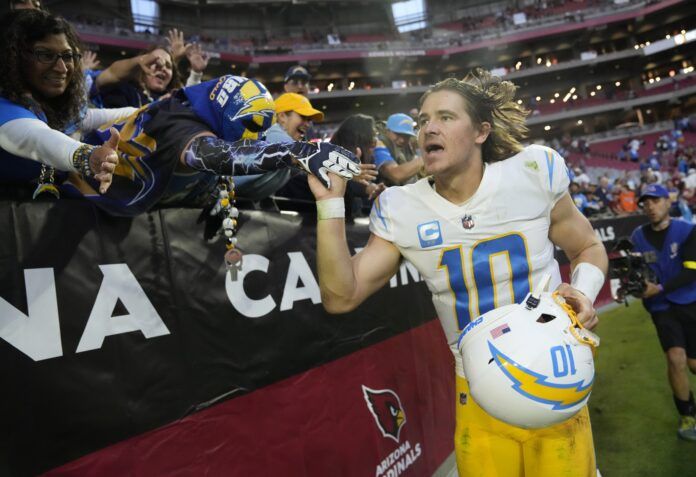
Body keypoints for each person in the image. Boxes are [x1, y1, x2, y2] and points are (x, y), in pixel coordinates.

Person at [308, 69, 608, 476]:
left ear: (481, 131)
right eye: (422, 120)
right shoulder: (402, 207)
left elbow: (587, 246)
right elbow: (341, 296)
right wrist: (330, 205)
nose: (429, 127)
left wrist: (585, 291)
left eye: (445, 117)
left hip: (555, 375)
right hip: (477, 391)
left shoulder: (534, 172)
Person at [0, 10, 130, 197]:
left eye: (67, 56)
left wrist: (160, 107)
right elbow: (37, 138)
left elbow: (99, 117)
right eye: (45, 55)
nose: (62, 68)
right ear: (15, 58)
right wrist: (88, 157)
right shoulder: (4, 105)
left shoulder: (59, 105)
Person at [629, 183, 696, 441]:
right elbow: (636, 271)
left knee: (693, 363)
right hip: (661, 308)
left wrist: (659, 287)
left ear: (668, 202)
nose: (650, 206)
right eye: (645, 203)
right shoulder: (637, 236)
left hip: (690, 301)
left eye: (655, 201)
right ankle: (687, 414)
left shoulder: (688, 230)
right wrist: (636, 286)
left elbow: (691, 270)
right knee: (676, 358)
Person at [375, 113, 424, 186]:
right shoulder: (378, 145)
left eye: (406, 136)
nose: (402, 140)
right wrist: (428, 157)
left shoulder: (406, 145)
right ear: (387, 131)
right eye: (398, 134)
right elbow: (396, 174)